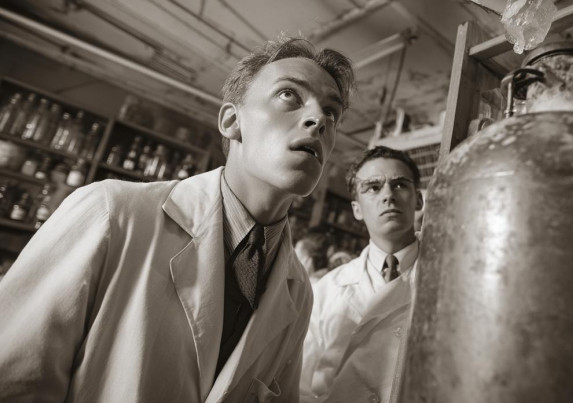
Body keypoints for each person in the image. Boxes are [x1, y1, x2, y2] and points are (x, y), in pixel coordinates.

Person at [0, 37, 354, 403]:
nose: (319, 120)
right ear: (232, 121)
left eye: (332, 112)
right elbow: (13, 378)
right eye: (289, 95)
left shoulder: (299, 290)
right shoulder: (111, 212)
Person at [300, 146, 424, 403]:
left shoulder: (447, 274)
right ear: (356, 209)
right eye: (373, 187)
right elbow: (301, 383)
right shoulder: (329, 288)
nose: (388, 195)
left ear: (419, 200)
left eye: (399, 185)